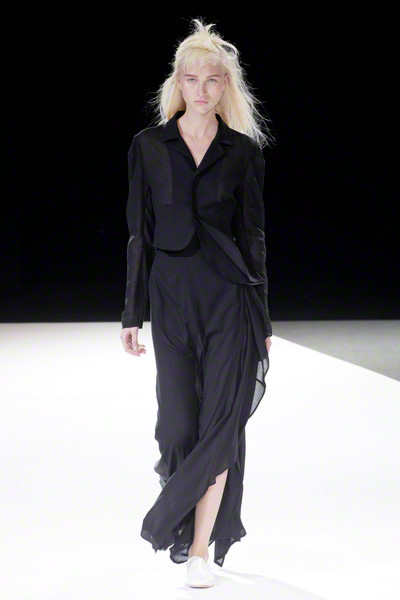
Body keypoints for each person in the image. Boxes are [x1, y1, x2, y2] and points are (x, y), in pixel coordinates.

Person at [120, 18, 275, 588]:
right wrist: (132, 312)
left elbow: (253, 236)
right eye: (192, 79)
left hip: (230, 297)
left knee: (221, 421)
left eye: (213, 79)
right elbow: (138, 233)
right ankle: (182, 512)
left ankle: (200, 548)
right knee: (177, 424)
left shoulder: (243, 152)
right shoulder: (149, 146)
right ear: (178, 83)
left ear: (226, 85)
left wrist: (263, 317)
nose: (202, 89)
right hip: (171, 296)